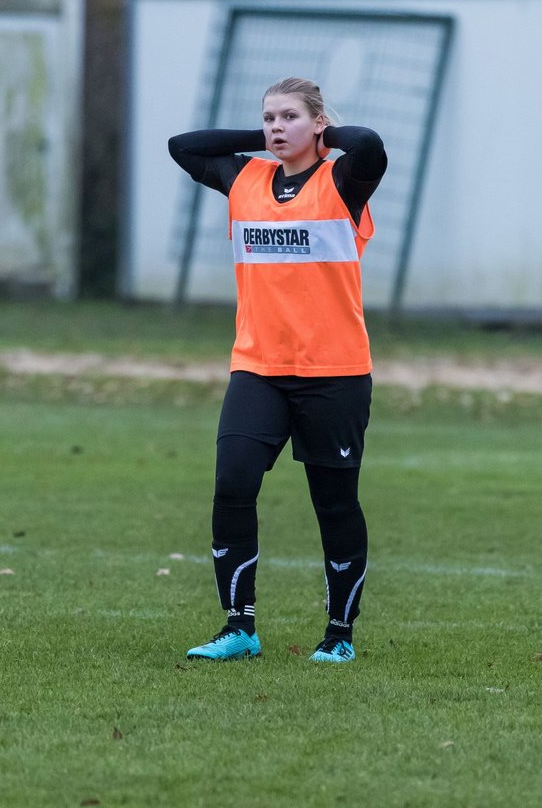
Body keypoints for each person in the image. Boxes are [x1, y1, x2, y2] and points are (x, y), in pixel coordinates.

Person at [168, 77, 387, 663]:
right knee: (232, 487)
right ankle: (239, 627)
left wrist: (319, 137)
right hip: (258, 368)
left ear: (319, 123)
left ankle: (339, 636)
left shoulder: (342, 182)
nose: (274, 127)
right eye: (268, 118)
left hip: (334, 373)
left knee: (334, 504)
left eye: (289, 116)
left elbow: (369, 145)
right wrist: (269, 142)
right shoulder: (247, 178)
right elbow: (182, 145)